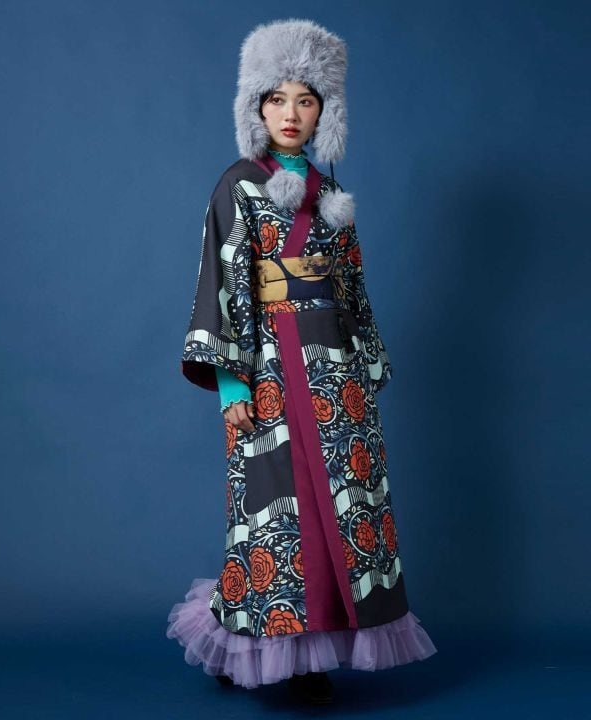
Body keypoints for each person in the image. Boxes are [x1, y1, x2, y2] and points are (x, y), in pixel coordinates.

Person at [166, 18, 438, 704]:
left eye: (306, 100)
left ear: (326, 112)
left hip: (335, 379)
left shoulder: (333, 198)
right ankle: (264, 648)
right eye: (277, 98)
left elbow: (354, 293)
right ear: (256, 108)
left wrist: (364, 369)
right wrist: (233, 387)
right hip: (268, 371)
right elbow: (222, 284)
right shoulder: (237, 186)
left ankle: (313, 652)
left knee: (336, 513)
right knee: (276, 517)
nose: (291, 113)